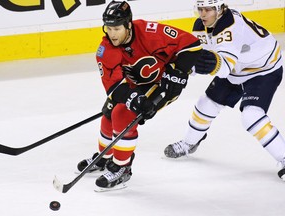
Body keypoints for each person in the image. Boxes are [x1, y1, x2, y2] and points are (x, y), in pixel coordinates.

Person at [77, 0, 203, 190]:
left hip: (162, 84)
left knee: (122, 114)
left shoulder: (151, 32)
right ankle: (105, 156)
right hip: (135, 85)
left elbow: (192, 45)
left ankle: (122, 167)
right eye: (108, 28)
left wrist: (178, 72)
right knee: (109, 112)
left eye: (117, 28)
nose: (112, 34)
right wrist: (134, 99)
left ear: (128, 24)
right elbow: (113, 87)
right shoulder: (106, 49)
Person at [164, 0, 285, 181]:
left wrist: (201, 64)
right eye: (200, 9)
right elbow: (200, 59)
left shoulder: (231, 25)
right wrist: (181, 70)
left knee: (251, 116)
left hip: (263, 69)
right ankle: (190, 143)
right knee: (205, 104)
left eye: (208, 9)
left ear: (220, 9)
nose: (203, 14)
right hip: (238, 69)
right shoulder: (200, 26)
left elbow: (224, 67)